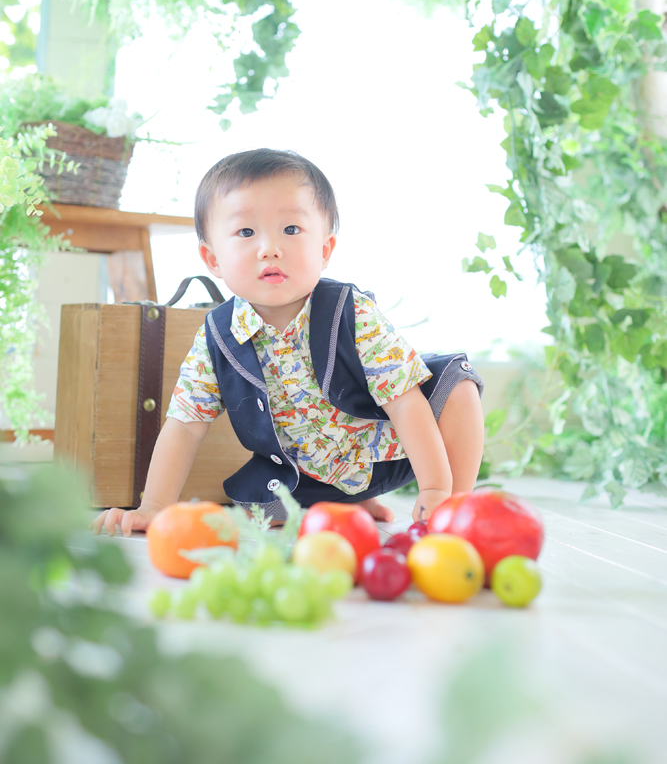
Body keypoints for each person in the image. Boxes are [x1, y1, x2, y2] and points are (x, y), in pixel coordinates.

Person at [92, 149, 485, 537]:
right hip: (297, 479)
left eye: (291, 230)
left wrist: (434, 487)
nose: (270, 248)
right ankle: (345, 505)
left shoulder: (352, 312)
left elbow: (404, 403)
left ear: (325, 249)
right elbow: (185, 425)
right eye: (246, 232)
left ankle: (453, 507)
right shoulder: (217, 337)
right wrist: (154, 506)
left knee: (459, 385)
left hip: (386, 455)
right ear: (212, 260)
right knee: (259, 519)